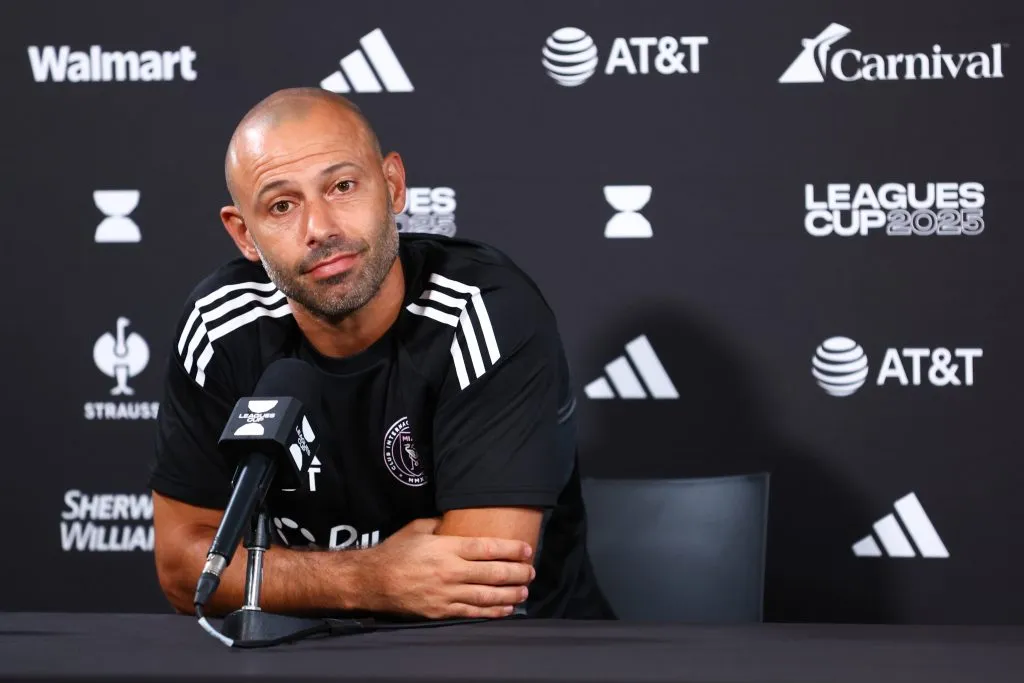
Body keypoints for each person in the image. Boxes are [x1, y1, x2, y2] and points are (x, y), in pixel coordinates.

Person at [149, 87, 613, 621]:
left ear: (393, 185)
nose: (320, 229)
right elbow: (186, 573)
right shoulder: (220, 324)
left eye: (342, 186)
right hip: (303, 658)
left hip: (513, 659)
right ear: (244, 234)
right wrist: (373, 576)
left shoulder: (482, 312)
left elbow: (479, 586)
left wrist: (271, 575)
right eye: (281, 205)